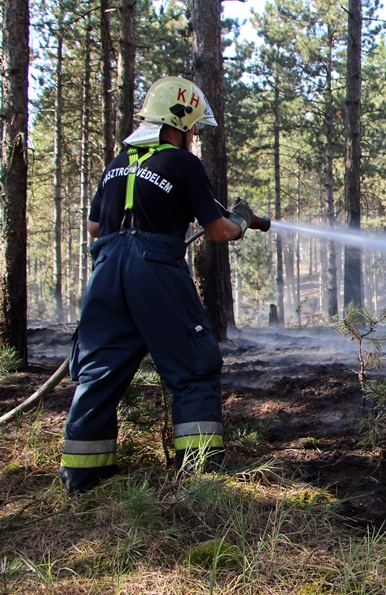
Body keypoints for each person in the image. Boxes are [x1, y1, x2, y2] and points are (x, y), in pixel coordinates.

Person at [60, 76, 260, 495]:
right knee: (193, 366)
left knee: (97, 372)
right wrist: (243, 221)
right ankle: (201, 474)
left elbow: (95, 225)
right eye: (192, 129)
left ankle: (83, 480)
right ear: (179, 122)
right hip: (153, 267)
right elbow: (220, 230)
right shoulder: (183, 164)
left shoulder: (118, 162)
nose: (193, 136)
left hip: (108, 267)